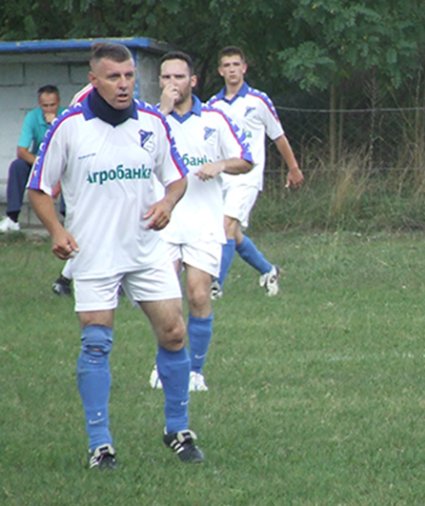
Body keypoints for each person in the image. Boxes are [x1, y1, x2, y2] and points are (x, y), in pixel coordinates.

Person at [26, 42, 204, 470]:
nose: (124, 85)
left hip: (146, 249)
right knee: (96, 342)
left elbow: (177, 179)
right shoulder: (69, 127)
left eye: (128, 76)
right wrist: (57, 231)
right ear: (94, 80)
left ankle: (177, 429)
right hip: (94, 253)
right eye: (113, 77)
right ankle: (100, 444)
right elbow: (38, 189)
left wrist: (167, 203)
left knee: (174, 333)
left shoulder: (152, 123)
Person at [147, 51, 253, 392]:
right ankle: (165, 364)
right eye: (166, 77)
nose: (172, 83)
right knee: (165, 300)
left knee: (197, 295)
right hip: (164, 222)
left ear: (192, 81)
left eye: (179, 77)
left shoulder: (214, 119)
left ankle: (195, 371)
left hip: (203, 222)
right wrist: (161, 113)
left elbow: (246, 159)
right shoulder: (149, 119)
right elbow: (135, 156)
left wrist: (220, 165)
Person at [206, 45, 304, 299]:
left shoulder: (258, 101)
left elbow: (278, 136)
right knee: (233, 233)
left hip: (247, 176)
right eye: (226, 65)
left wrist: (293, 168)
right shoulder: (212, 105)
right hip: (221, 177)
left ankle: (215, 285)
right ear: (220, 71)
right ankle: (268, 270)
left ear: (244, 68)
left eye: (236, 64)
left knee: (226, 226)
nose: (232, 70)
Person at [1, 85, 63, 233]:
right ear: (39, 104)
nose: (49, 109)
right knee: (18, 166)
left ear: (59, 102)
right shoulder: (32, 117)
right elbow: (21, 151)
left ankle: (68, 217)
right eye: (45, 106)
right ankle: (12, 218)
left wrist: (54, 125)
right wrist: (41, 164)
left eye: (52, 105)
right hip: (39, 162)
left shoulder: (66, 116)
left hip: (63, 163)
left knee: (73, 172)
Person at [51, 84, 93, 296]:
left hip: (104, 176)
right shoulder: (85, 97)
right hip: (84, 178)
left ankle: (64, 280)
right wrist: (58, 183)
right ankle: (65, 280)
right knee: (88, 231)